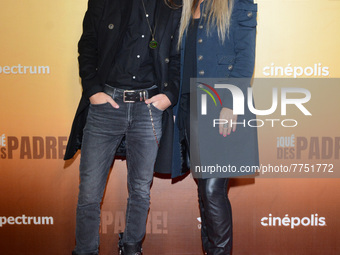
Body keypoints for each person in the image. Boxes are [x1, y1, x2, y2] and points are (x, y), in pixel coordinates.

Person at [63, 0, 181, 254]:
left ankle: (131, 247)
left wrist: (170, 95)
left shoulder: (174, 4)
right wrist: (93, 90)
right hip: (106, 106)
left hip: (148, 107)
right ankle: (85, 250)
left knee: (140, 190)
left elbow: (180, 55)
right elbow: (88, 45)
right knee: (90, 192)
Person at [171, 0, 258, 254]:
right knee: (203, 191)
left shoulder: (236, 4)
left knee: (212, 190)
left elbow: (245, 58)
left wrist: (230, 104)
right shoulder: (187, 7)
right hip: (190, 108)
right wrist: (177, 108)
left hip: (220, 105)